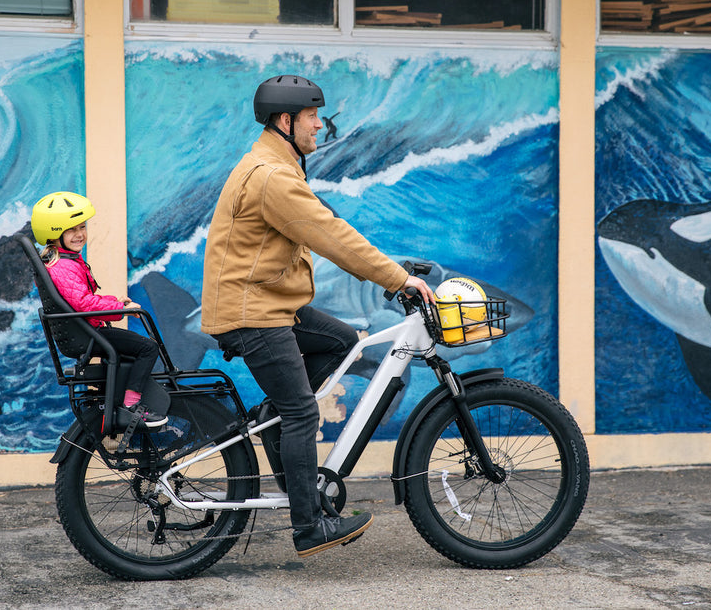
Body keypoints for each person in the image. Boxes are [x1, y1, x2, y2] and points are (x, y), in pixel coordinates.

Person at [200, 75, 434, 558]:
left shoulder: (275, 164)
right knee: (303, 410)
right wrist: (396, 279)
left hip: (270, 303)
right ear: (286, 121)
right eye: (312, 117)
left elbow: (326, 229)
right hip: (255, 311)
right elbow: (329, 234)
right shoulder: (272, 177)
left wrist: (391, 269)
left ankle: (277, 420)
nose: (320, 125)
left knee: (342, 341)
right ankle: (309, 527)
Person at [31, 191, 169, 434]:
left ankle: (122, 397)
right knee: (148, 347)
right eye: (71, 229)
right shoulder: (64, 266)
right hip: (87, 334)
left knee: (133, 351)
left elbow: (83, 300)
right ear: (53, 234)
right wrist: (120, 309)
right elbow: (84, 304)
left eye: (82, 227)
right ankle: (131, 404)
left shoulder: (62, 261)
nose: (80, 234)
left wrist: (117, 302)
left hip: (85, 331)